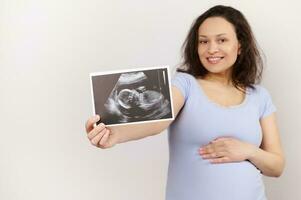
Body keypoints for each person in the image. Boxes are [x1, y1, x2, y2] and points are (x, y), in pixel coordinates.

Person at [85, 5, 285, 200]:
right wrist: (116, 134)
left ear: (240, 45)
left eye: (222, 40)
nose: (211, 49)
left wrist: (248, 150)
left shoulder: (260, 96)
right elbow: (157, 120)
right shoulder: (185, 84)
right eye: (203, 41)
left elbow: (277, 166)